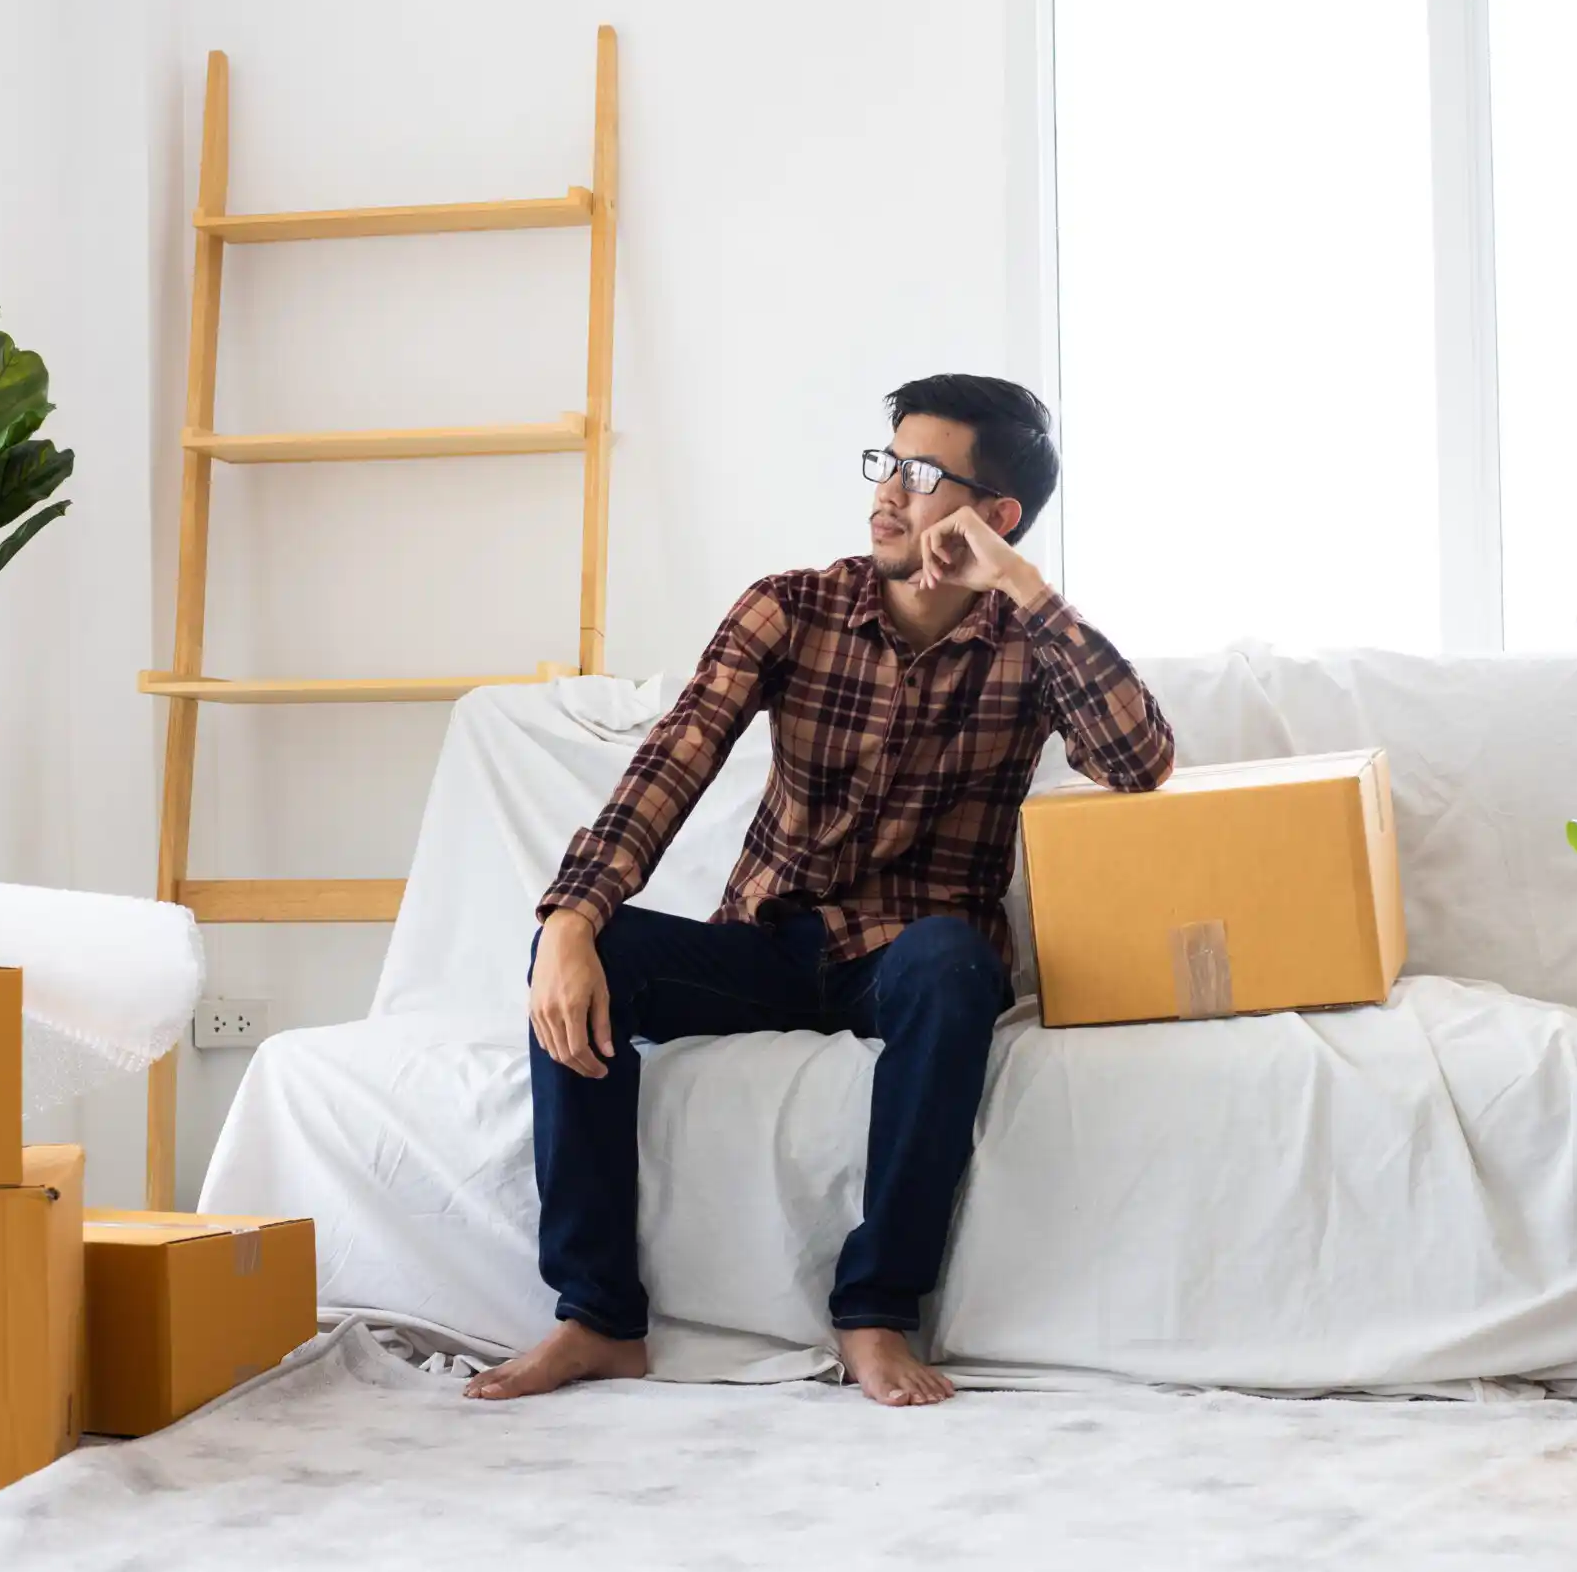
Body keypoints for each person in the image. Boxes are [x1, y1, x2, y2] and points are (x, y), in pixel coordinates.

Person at [466, 374, 1174, 1407]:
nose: (888, 492)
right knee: (583, 952)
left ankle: (875, 1313)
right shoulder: (792, 607)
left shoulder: (1027, 642)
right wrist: (573, 916)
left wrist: (1020, 584)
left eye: (922, 474)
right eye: (886, 463)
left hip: (911, 958)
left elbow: (1139, 761)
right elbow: (672, 764)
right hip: (768, 944)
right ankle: (597, 1318)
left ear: (995, 514)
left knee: (952, 965)